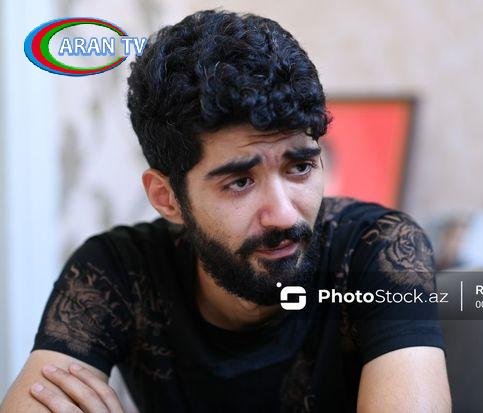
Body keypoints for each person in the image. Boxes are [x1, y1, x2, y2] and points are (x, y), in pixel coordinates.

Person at [1, 10, 450, 412]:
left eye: (299, 167)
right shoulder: (118, 271)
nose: (284, 215)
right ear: (167, 198)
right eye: (239, 182)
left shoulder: (379, 251)